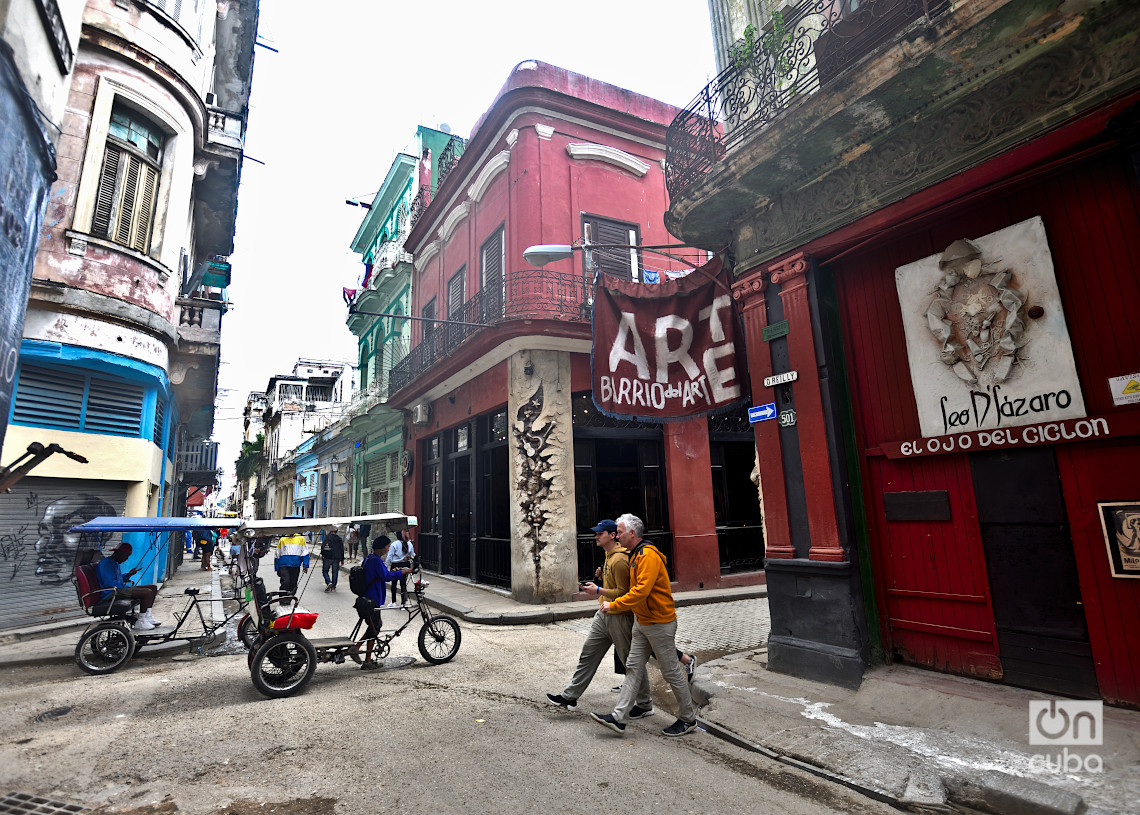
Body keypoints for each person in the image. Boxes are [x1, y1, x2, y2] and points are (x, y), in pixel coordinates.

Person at [590, 513, 698, 738]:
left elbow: (640, 592)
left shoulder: (647, 555)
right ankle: (619, 717)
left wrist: (613, 605)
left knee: (670, 671)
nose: (617, 536)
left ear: (631, 533)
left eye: (619, 532)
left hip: (659, 623)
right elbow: (633, 589)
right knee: (632, 666)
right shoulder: (634, 555)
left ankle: (688, 718)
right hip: (642, 621)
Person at [545, 519, 655, 717]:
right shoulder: (609, 555)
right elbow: (613, 586)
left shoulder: (620, 560)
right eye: (596, 533)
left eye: (600, 533)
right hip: (604, 615)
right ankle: (570, 696)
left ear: (612, 535)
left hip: (620, 617)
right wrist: (600, 580)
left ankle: (645, 704)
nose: (596, 536)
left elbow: (624, 592)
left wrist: (597, 590)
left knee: (630, 661)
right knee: (588, 654)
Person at [34, 494, 117, 586]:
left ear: (101, 535)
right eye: (45, 532)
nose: (49, 545)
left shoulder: (106, 571)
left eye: (69, 530)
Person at [356, 536, 411, 670]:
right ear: (382, 547)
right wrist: (402, 572)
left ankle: (358, 649)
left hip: (368, 597)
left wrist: (391, 572)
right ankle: (362, 656)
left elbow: (381, 574)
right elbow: (386, 577)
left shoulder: (370, 558)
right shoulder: (376, 560)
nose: (388, 549)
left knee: (373, 627)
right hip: (372, 598)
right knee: (375, 627)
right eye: (387, 546)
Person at [94, 543, 162, 631]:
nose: (126, 559)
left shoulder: (115, 563)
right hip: (110, 593)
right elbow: (110, 583)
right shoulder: (106, 564)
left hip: (118, 589)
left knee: (153, 588)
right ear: (120, 553)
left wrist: (128, 575)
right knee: (147, 592)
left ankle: (147, 616)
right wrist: (128, 589)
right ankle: (140, 621)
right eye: (126, 556)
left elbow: (118, 579)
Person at [385, 528, 416, 607]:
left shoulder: (394, 544)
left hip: (395, 565)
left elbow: (389, 557)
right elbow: (413, 555)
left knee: (394, 584)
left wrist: (385, 566)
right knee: (403, 584)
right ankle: (403, 603)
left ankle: (394, 602)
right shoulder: (409, 544)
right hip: (406, 565)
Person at [320, 527, 345, 592]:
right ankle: (333, 587)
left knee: (325, 571)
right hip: (336, 558)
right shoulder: (339, 539)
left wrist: (322, 554)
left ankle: (329, 582)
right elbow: (341, 549)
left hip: (327, 557)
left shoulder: (327, 537)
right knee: (335, 572)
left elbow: (323, 546)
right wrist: (342, 559)